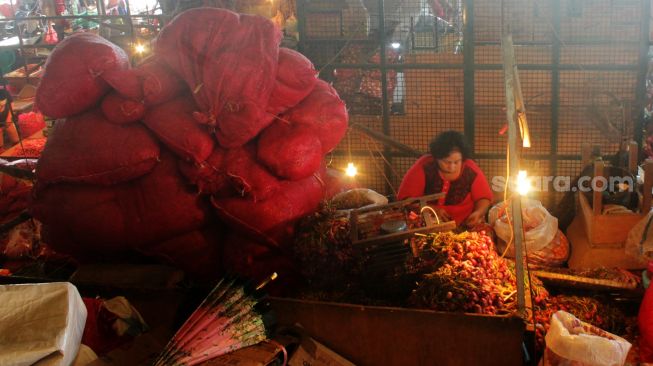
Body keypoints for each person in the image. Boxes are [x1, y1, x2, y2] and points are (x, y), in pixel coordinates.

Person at [397, 130, 493, 227]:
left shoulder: (470, 169)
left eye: (456, 162)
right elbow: (406, 200)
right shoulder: (424, 166)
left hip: (464, 225)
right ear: (436, 158)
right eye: (446, 162)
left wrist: (478, 212)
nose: (452, 167)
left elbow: (484, 198)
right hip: (427, 224)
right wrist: (432, 209)